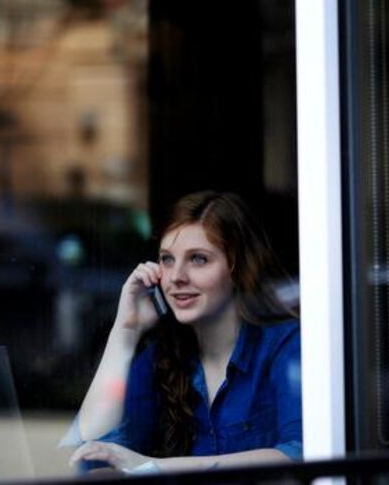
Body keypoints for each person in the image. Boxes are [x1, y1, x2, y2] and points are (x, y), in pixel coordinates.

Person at [66, 191, 302, 473]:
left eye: (198, 259)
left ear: (237, 266)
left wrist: (155, 466)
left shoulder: (285, 346)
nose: (177, 276)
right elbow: (94, 459)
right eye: (167, 259)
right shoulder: (162, 358)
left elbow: (300, 455)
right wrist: (125, 332)